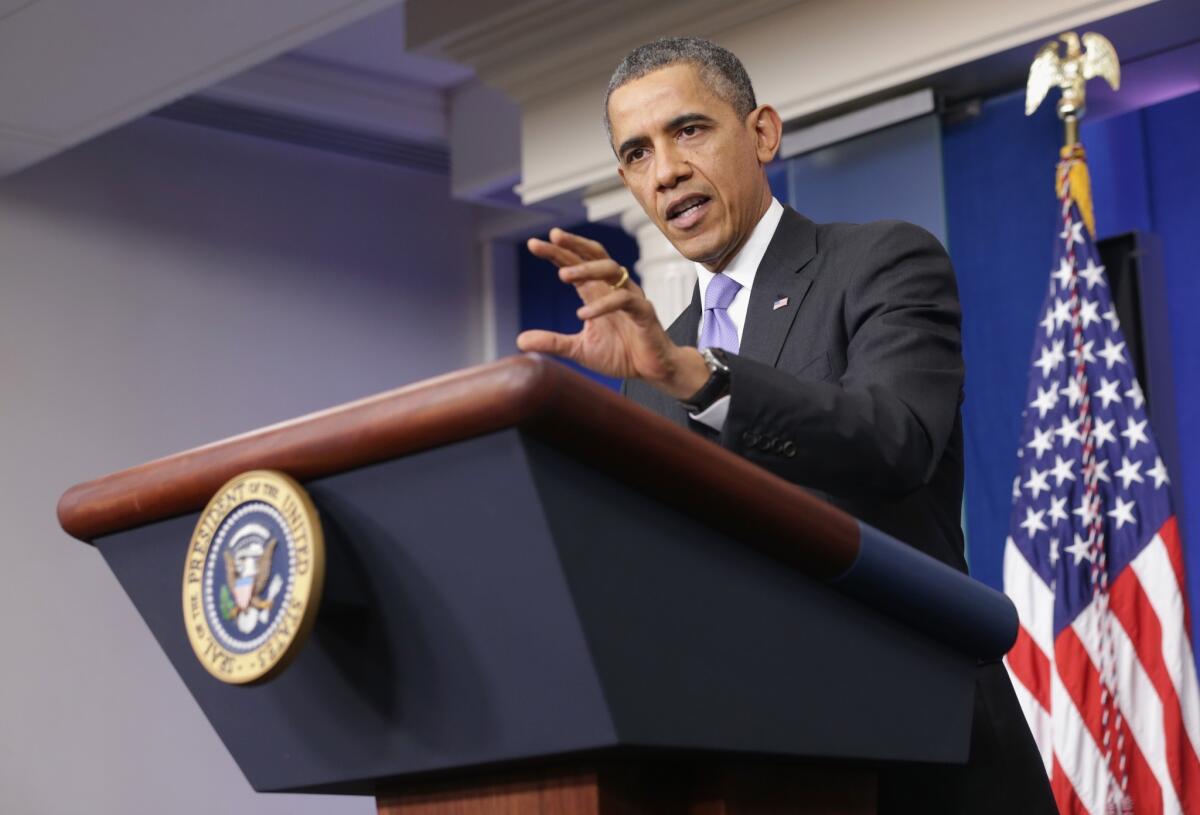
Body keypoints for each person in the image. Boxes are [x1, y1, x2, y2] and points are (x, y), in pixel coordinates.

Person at [517, 37, 1055, 814]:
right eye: (637, 153)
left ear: (762, 132)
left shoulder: (879, 262)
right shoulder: (656, 369)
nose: (665, 170)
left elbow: (893, 438)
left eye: (689, 131)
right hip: (747, 762)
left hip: (921, 755)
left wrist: (698, 377)